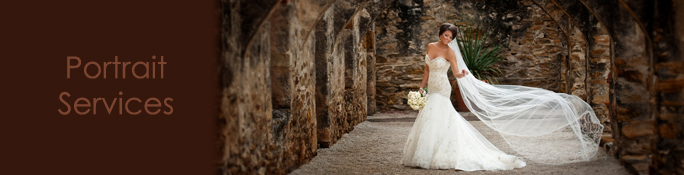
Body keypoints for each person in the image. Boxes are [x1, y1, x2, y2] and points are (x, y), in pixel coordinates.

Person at [401, 23, 602, 171]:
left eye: (451, 37)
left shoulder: (450, 52)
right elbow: (426, 71)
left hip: (443, 88)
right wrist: (421, 89)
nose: (448, 39)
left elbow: (455, 72)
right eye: (446, 35)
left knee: (442, 116)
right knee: (428, 117)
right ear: (440, 34)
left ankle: (440, 153)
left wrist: (465, 75)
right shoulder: (430, 46)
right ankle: (425, 152)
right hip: (432, 87)